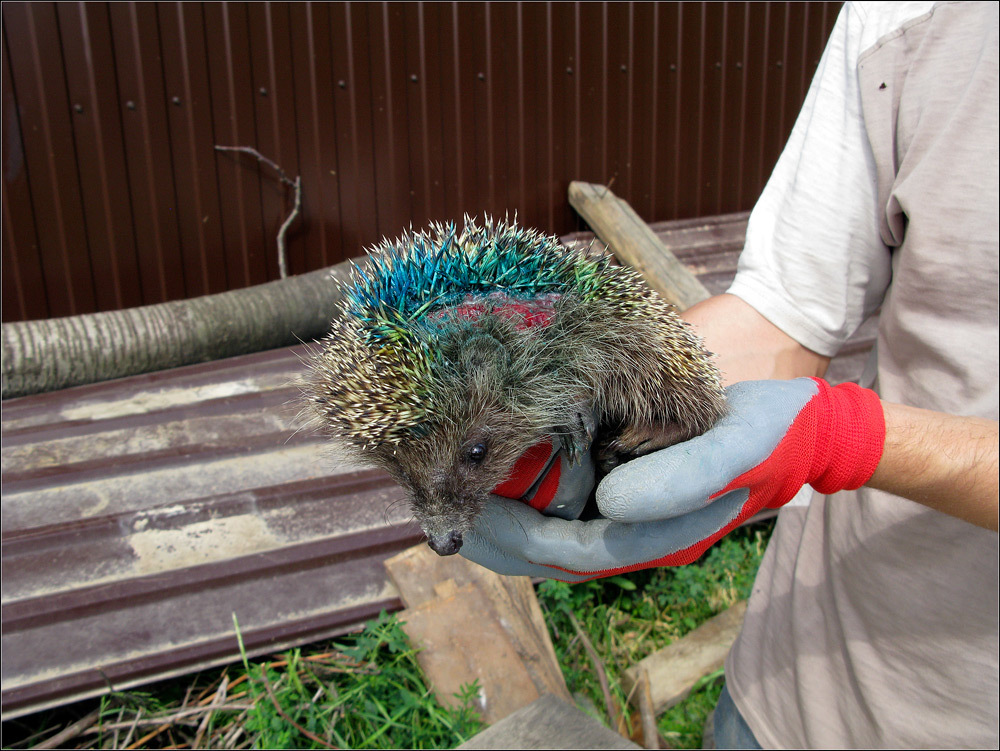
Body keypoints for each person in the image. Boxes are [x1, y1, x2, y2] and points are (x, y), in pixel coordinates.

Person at [461, 1, 999, 747]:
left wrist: (847, 439)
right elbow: (785, 310)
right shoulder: (910, 18)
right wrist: (613, 386)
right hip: (797, 674)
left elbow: (832, 426)